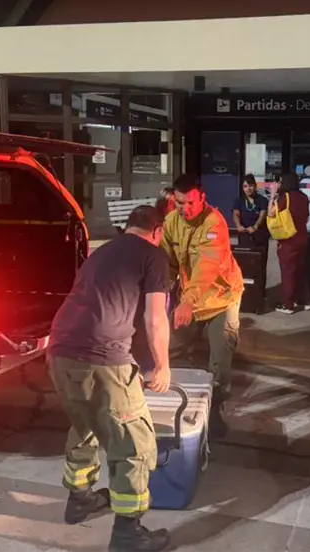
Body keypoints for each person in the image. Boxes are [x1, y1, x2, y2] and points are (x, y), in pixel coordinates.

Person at [46, 205, 171, 552]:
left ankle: (80, 499)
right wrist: (162, 365)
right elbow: (155, 319)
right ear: (157, 231)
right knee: (135, 444)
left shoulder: (103, 252)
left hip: (58, 352)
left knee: (85, 424)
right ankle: (128, 533)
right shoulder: (153, 256)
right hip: (102, 359)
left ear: (127, 227)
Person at [162, 174, 243, 437]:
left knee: (219, 360)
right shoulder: (171, 221)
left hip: (221, 299)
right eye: (179, 203)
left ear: (203, 198)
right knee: (172, 350)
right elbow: (167, 261)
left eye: (190, 203)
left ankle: (215, 412)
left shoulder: (214, 223)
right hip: (191, 299)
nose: (185, 209)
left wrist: (186, 302)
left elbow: (207, 267)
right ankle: (176, 404)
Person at [267, 173, 310, 314]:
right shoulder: (304, 197)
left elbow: (271, 213)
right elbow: (307, 216)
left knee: (288, 272)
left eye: (280, 182)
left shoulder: (285, 197)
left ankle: (288, 304)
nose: (279, 184)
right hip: (302, 237)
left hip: (288, 240)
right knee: (301, 271)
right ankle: (304, 300)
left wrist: (273, 195)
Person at [232, 174, 269, 248]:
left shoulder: (263, 200)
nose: (248, 189)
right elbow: (236, 214)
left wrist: (255, 227)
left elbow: (262, 216)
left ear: (255, 186)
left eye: (250, 186)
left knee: (260, 258)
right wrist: (238, 225)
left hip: (260, 235)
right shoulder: (239, 200)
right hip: (244, 234)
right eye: (245, 186)